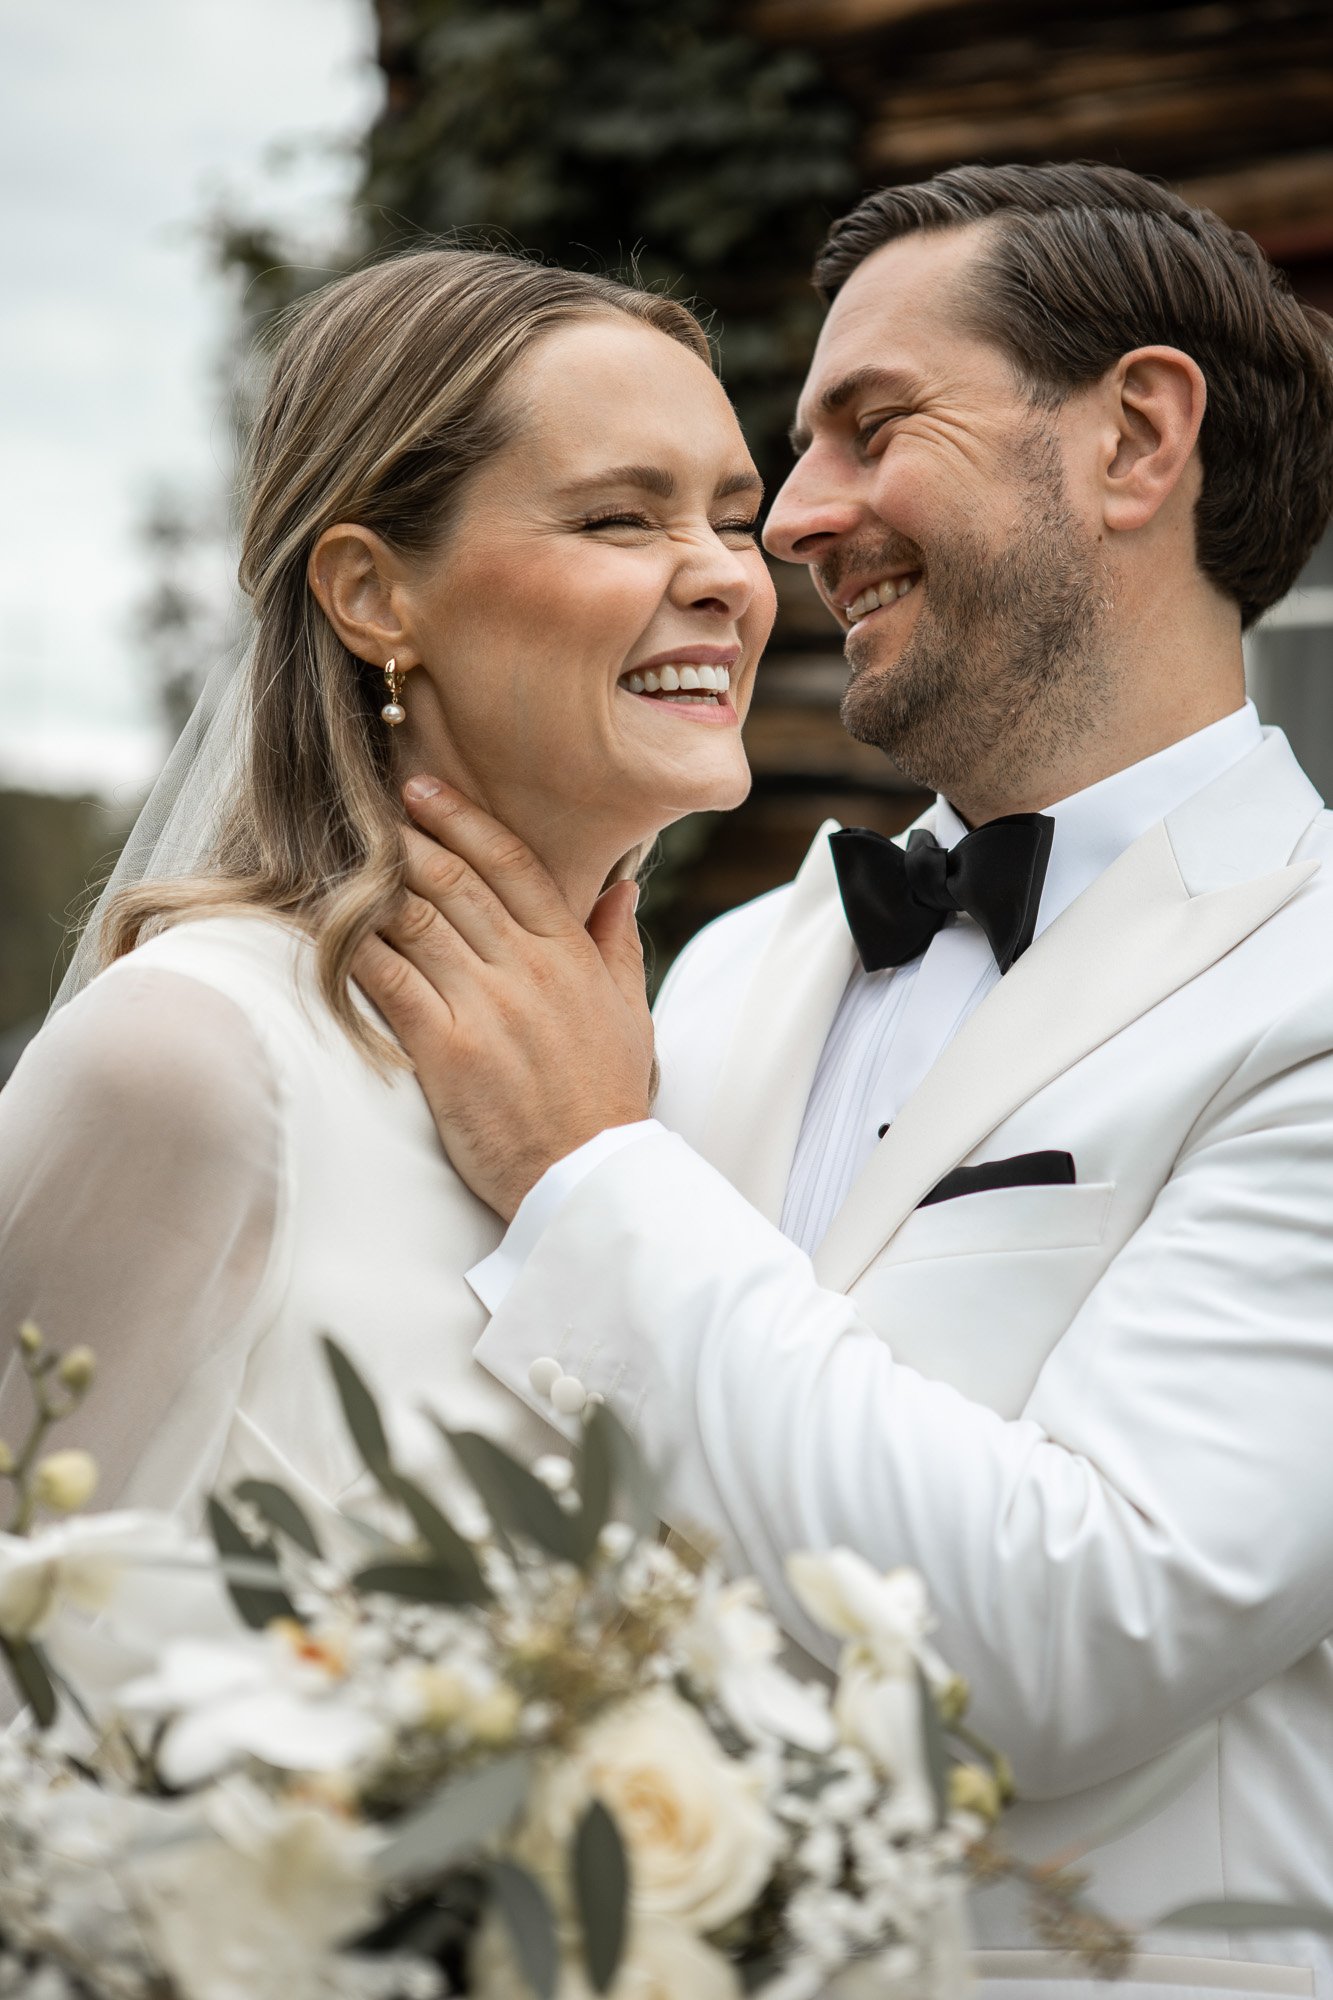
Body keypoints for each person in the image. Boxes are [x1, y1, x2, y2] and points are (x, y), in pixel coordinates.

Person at [356, 165, 1333, 1995]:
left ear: (1133, 441)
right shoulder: (725, 970)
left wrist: (593, 1175)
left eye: (869, 426)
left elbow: (1068, 1637)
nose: (789, 521)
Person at [0, 247, 774, 1532]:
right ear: (371, 592)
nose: (727, 577)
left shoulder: (655, 1079)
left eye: (733, 517)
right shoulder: (187, 1057)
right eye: (621, 518)